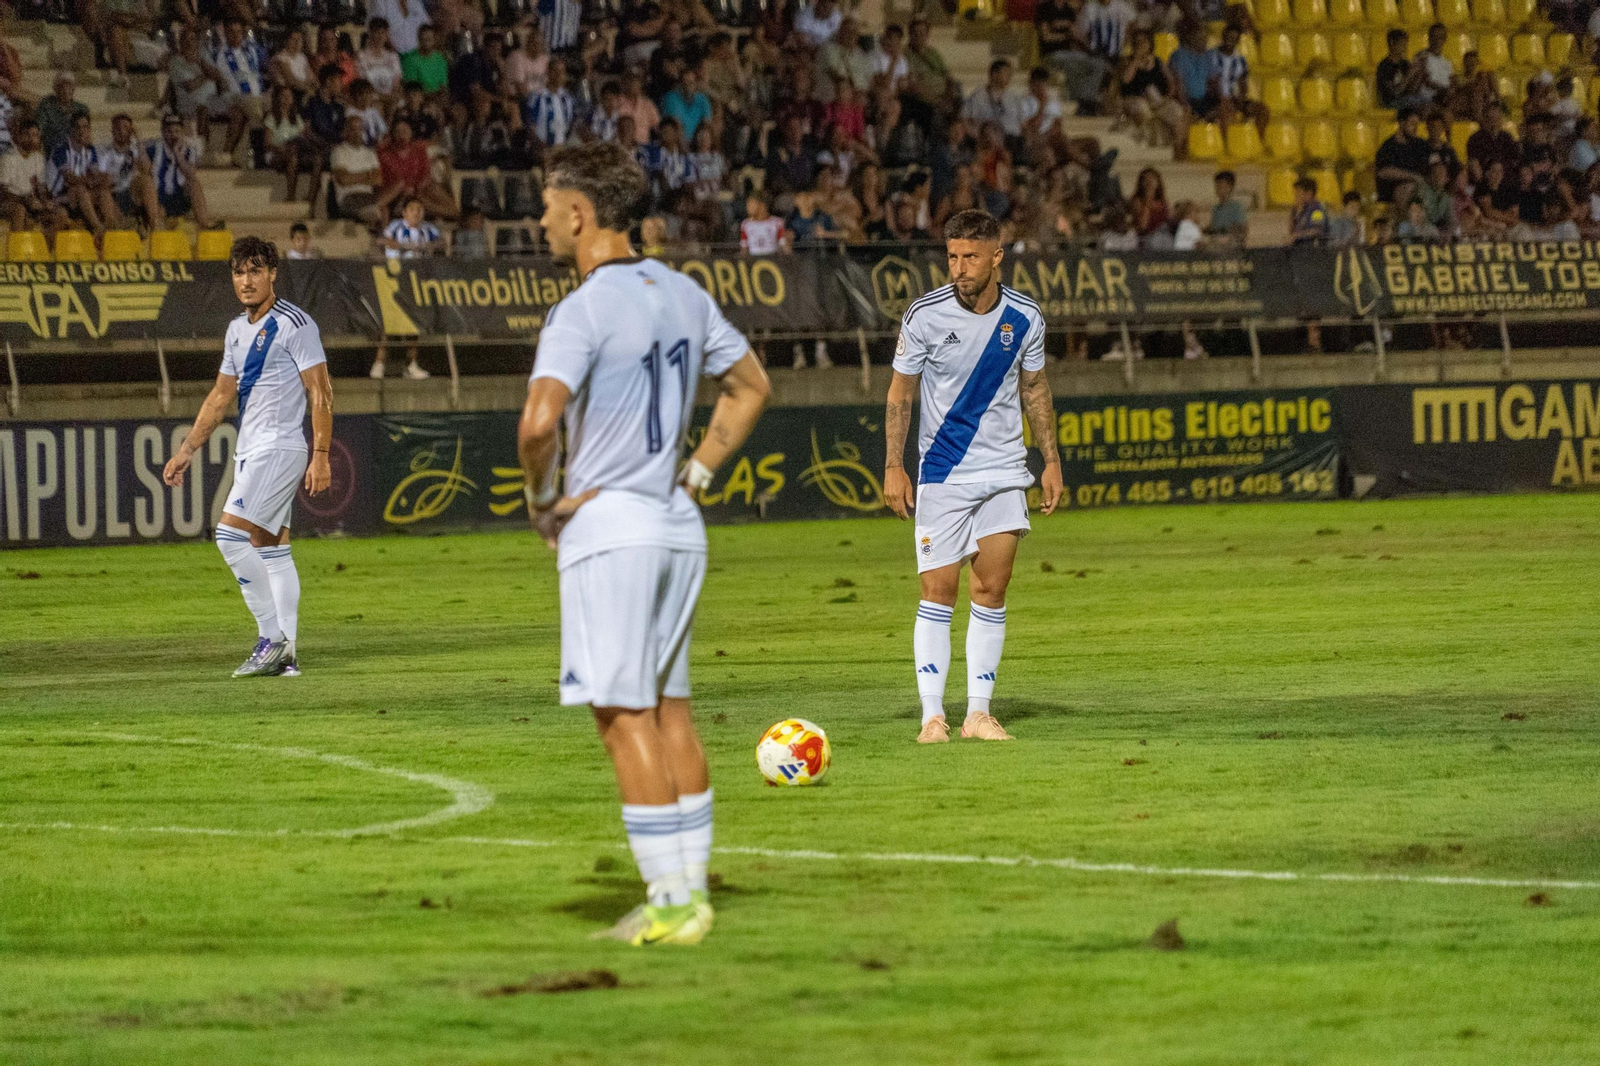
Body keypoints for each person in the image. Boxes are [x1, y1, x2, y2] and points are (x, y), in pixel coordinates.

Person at [516, 140, 771, 946]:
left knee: (621, 717)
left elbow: (539, 421)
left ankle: (669, 905)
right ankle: (690, 891)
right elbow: (752, 385)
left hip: (612, 528)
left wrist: (542, 501)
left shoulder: (582, 308)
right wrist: (696, 475)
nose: (543, 221)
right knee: (671, 714)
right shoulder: (684, 292)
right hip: (675, 522)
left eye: (550, 208)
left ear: (582, 214)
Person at [883, 209, 1060, 745]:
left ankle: (978, 713)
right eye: (953, 256)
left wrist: (1050, 459)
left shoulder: (1026, 316)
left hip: (1005, 471)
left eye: (970, 258)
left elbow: (1035, 389)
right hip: (942, 472)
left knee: (992, 589)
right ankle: (932, 715)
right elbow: (900, 394)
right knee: (938, 593)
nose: (958, 268)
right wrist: (894, 465)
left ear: (997, 257)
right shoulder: (924, 315)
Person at [162, 237, 333, 679]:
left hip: (279, 447)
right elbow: (221, 395)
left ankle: (271, 639)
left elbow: (321, 391)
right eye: (239, 272)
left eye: (256, 270)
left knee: (228, 537)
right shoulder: (237, 329)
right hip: (253, 449)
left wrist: (321, 454)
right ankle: (287, 656)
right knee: (272, 549)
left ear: (273, 273)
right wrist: (186, 450)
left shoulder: (295, 324)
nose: (247, 280)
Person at [48, 114, 118, 235]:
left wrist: (102, 179)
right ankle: (97, 227)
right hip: (60, 197)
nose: (81, 131)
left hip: (81, 198)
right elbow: (70, 179)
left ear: (89, 130)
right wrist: (91, 180)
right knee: (80, 189)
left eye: (85, 127)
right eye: (77, 127)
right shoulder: (61, 150)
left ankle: (111, 227)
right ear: (71, 130)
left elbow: (97, 176)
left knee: (103, 191)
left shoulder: (90, 150)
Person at [143, 112, 215, 229]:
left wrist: (177, 153)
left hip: (179, 197)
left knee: (194, 183)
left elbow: (190, 174)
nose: (173, 135)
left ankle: (204, 225)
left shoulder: (189, 150)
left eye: (177, 131)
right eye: (169, 132)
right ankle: (156, 225)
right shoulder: (153, 148)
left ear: (182, 132)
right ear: (163, 132)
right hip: (158, 197)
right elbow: (143, 168)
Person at [0, 120, 69, 237]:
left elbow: (41, 188)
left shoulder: (38, 158)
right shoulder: (9, 158)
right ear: (19, 137)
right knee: (19, 210)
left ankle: (42, 249)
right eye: (27, 135)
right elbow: (2, 192)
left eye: (35, 135)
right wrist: (25, 200)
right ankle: (19, 251)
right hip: (10, 204)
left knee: (61, 213)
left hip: (30, 204)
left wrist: (46, 201)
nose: (32, 139)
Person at [330, 115, 383, 221]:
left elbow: (378, 180)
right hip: (349, 197)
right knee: (381, 207)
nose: (357, 132)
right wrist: (368, 175)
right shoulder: (339, 151)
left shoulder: (370, 153)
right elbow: (343, 180)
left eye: (360, 129)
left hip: (368, 195)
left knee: (394, 191)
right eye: (353, 129)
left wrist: (353, 176)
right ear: (346, 131)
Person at [1375, 107, 1431, 204]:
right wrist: (1412, 177)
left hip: (1420, 188)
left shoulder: (1420, 145)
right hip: (1393, 193)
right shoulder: (1389, 146)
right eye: (1412, 123)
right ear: (1401, 123)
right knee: (1409, 187)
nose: (1415, 128)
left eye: (1417, 124)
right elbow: (1383, 171)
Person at [1208, 169, 1248, 244]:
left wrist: (1225, 232)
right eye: (1216, 186)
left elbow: (1242, 229)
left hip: (1231, 246)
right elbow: (1212, 228)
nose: (1217, 189)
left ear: (1230, 187)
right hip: (1217, 245)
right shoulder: (1215, 208)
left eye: (1220, 186)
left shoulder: (1236, 207)